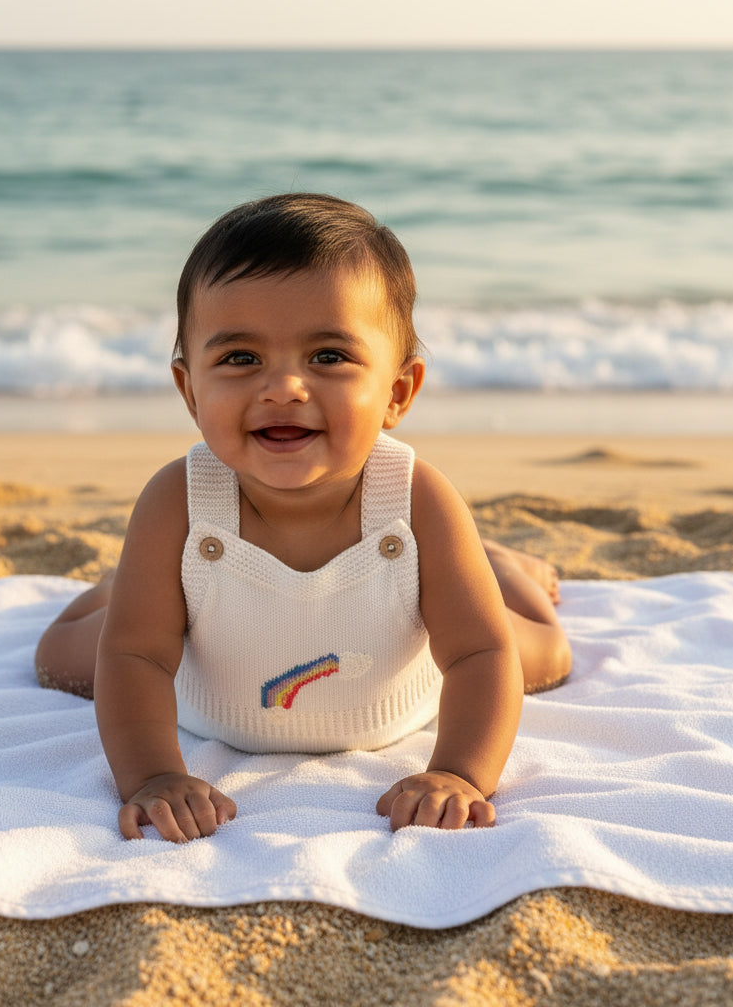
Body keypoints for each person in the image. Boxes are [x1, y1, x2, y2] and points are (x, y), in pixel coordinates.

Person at [35, 193, 571, 843]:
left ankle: (500, 570)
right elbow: (134, 656)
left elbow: (482, 652)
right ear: (190, 390)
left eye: (328, 357)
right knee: (58, 659)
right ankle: (131, 586)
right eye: (240, 358)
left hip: (402, 691)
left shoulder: (416, 499)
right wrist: (152, 776)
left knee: (541, 654)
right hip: (209, 699)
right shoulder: (178, 502)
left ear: (397, 393)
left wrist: (459, 772)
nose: (284, 387)